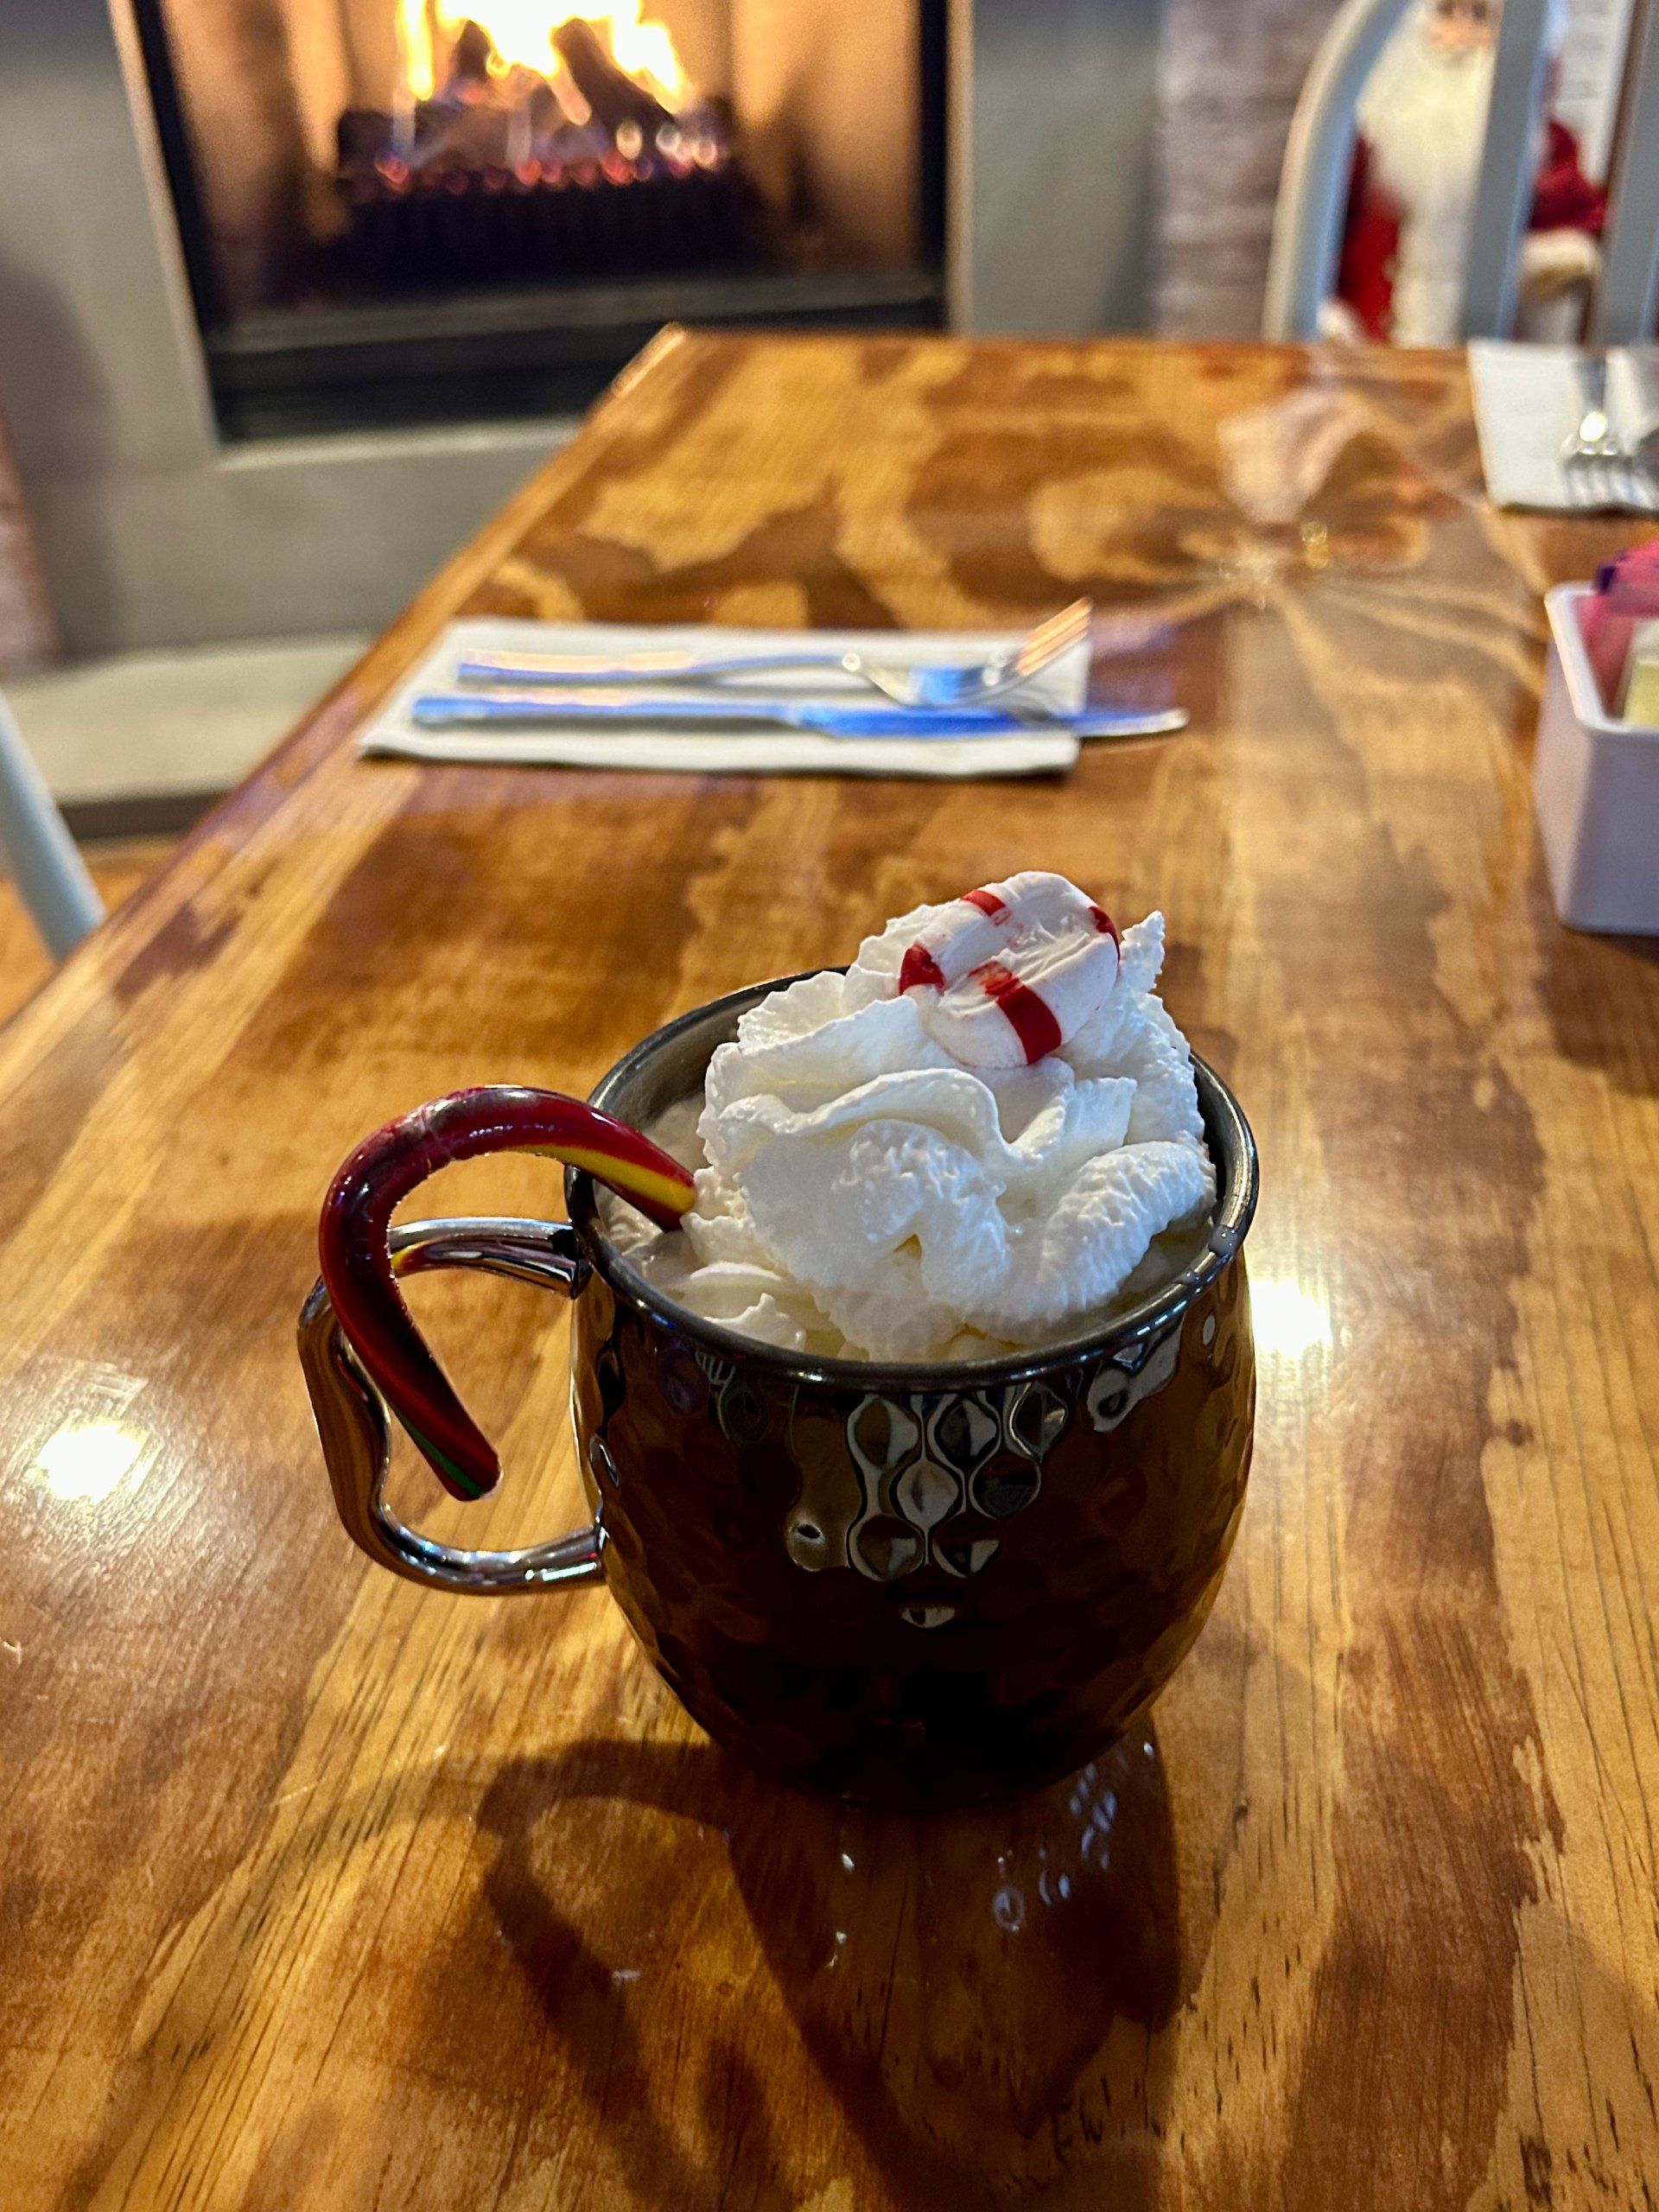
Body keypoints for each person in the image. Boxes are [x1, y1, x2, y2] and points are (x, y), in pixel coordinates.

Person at [1326, 0, 1605, 345]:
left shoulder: (1542, 147)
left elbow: (1579, 223)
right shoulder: (1368, 146)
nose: (1460, 32)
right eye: (1445, 12)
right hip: (1371, 347)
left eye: (1479, 16)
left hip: (1481, 350)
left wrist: (1536, 260)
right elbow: (1328, 231)